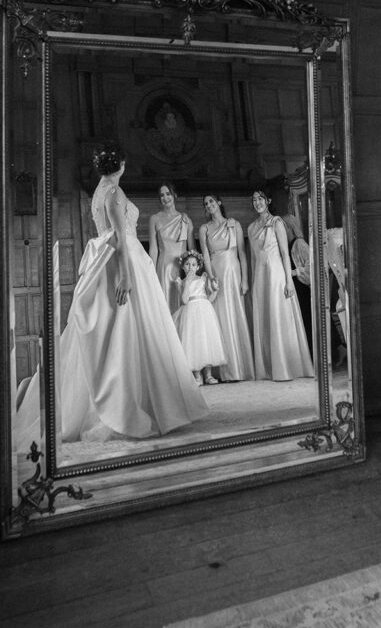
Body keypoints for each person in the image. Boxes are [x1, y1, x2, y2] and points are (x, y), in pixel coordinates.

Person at [59, 143, 208, 442]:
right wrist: (125, 276)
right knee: (131, 328)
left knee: (130, 328)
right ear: (122, 164)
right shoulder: (114, 192)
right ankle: (133, 405)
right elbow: (119, 238)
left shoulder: (99, 192)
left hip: (107, 259)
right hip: (123, 262)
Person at [247, 188, 314, 382]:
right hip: (260, 276)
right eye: (254, 199)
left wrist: (288, 280)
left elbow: (285, 253)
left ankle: (287, 366)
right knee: (266, 317)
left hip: (276, 274)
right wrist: (252, 283)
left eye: (260, 198)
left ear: (267, 201)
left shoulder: (277, 222)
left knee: (279, 315)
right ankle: (269, 367)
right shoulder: (251, 228)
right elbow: (253, 258)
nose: (257, 202)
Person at [198, 193, 255, 382]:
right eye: (206, 203)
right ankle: (222, 371)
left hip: (233, 271)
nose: (209, 205)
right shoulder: (204, 229)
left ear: (219, 203)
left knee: (235, 314)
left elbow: (242, 253)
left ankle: (241, 368)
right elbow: (205, 255)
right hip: (216, 273)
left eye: (212, 201)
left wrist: (245, 279)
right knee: (220, 317)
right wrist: (211, 276)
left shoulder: (234, 224)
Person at [173, 250, 228, 386]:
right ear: (183, 266)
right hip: (190, 313)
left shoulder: (203, 279)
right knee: (194, 342)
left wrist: (215, 291)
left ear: (198, 267)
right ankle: (197, 376)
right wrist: (187, 283)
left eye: (193, 264)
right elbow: (185, 300)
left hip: (204, 311)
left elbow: (209, 299)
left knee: (206, 341)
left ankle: (208, 375)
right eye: (187, 264)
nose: (190, 267)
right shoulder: (181, 282)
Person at [148, 181, 195, 314]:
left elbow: (192, 250)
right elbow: (153, 249)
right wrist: (151, 272)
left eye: (168, 194)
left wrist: (191, 273)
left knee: (183, 306)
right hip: (163, 267)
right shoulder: (154, 219)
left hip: (182, 268)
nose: (165, 198)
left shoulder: (185, 219)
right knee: (164, 306)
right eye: (162, 195)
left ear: (174, 195)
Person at [282, 213, 314, 359]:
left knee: (308, 320)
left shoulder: (299, 243)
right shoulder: (286, 245)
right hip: (294, 287)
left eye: (283, 227)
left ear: (289, 228)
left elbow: (312, 266)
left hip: (303, 288)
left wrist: (294, 272)